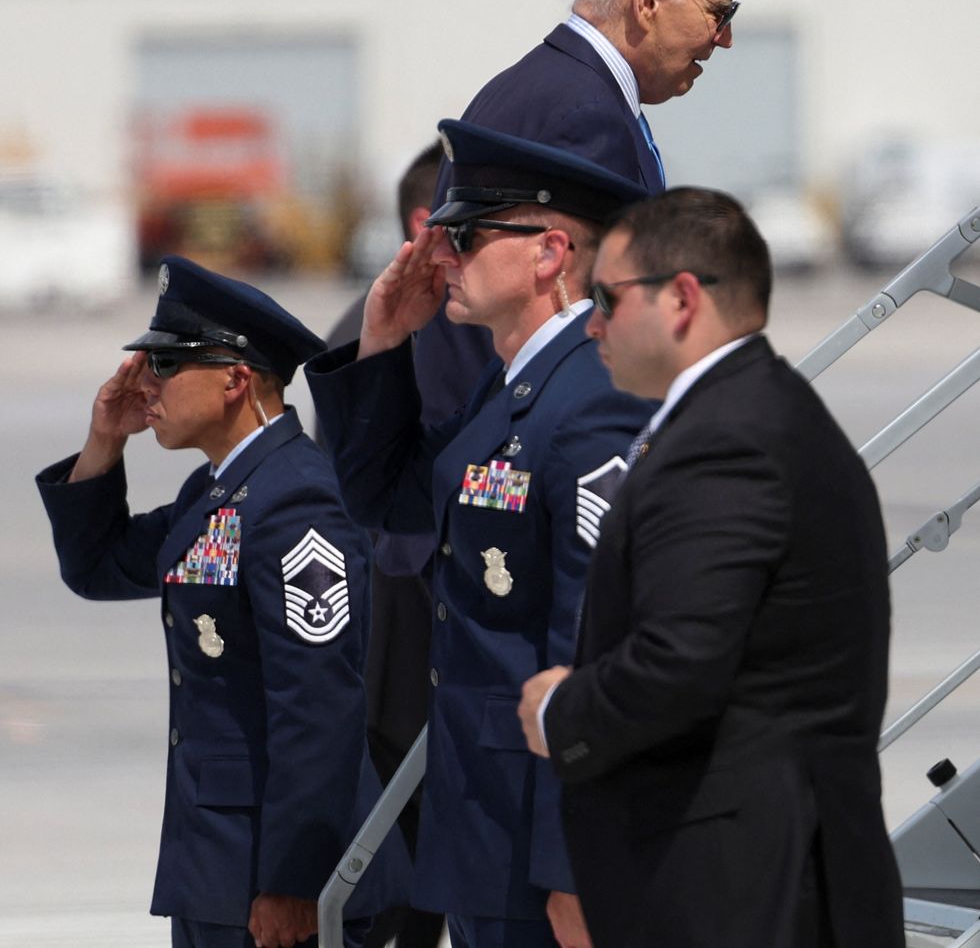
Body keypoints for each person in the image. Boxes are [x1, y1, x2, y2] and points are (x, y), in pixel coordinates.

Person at [517, 188, 905, 948]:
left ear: (682, 298)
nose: (591, 322)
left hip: (745, 890)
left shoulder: (726, 441)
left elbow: (681, 660)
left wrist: (562, 711)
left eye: (606, 296)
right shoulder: (749, 412)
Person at [307, 120, 654, 948]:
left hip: (542, 842)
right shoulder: (509, 392)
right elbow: (388, 506)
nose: (439, 255)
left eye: (461, 234)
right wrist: (385, 342)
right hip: (484, 825)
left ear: (549, 254)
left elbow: (595, 646)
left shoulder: (593, 399)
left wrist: (574, 869)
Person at [36, 256, 407, 948]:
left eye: (167, 365)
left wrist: (297, 882)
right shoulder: (214, 493)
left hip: (276, 874)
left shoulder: (298, 499)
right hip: (218, 863)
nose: (146, 385)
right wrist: (104, 440)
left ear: (236, 379)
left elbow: (318, 701)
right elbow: (96, 567)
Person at [416, 0, 739, 425]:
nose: (723, 38)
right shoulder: (583, 112)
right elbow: (568, 313)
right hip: (528, 450)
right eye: (718, 11)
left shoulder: (548, 86)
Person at [319, 139, 446, 948]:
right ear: (422, 223)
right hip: (395, 616)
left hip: (433, 610)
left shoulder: (461, 324)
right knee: (397, 866)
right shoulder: (377, 331)